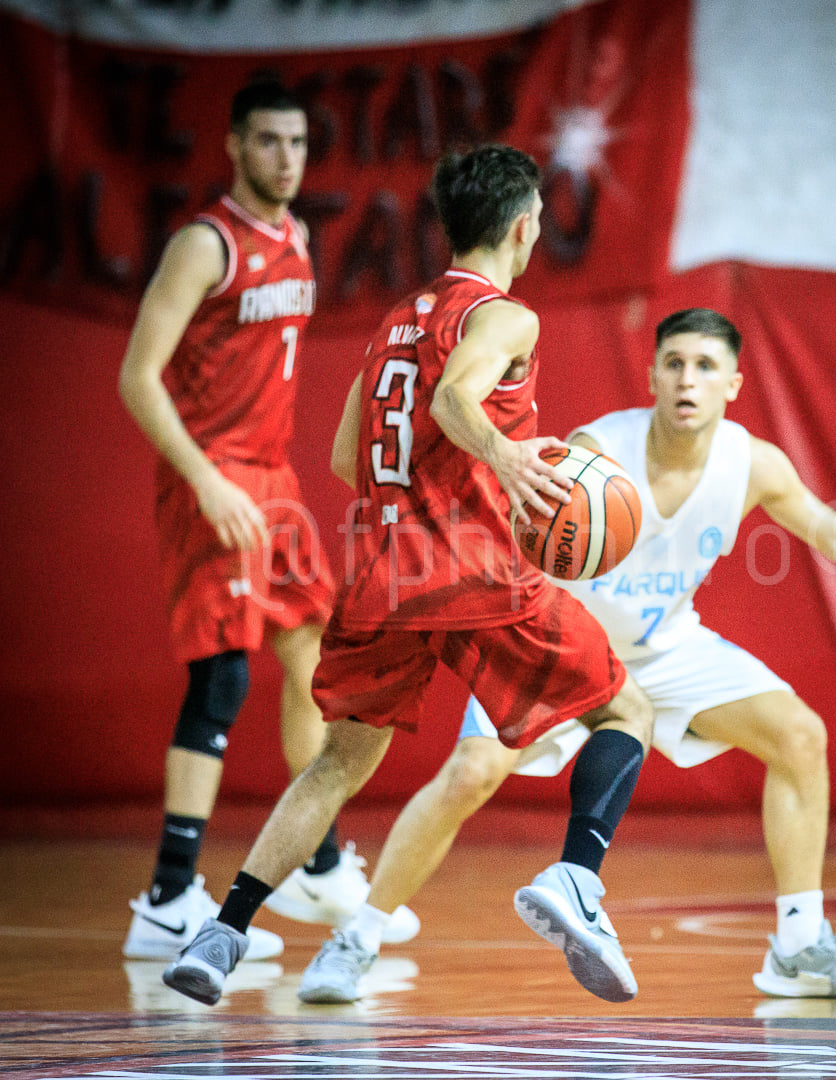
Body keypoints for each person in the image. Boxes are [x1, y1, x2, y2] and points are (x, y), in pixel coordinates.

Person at [295, 306, 836, 1004]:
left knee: (800, 735)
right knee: (470, 774)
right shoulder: (596, 450)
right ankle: (357, 938)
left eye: (705, 366)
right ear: (651, 377)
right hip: (563, 643)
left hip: (664, 647)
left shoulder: (753, 463)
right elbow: (516, 523)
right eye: (673, 363)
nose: (687, 379)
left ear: (733, 385)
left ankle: (800, 947)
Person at [160, 144, 655, 1008]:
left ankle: (222, 931)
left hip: (382, 576)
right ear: (522, 226)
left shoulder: (398, 319)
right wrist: (504, 457)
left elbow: (345, 456)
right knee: (626, 709)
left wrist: (442, 473)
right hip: (470, 568)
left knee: (336, 764)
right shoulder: (506, 318)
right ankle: (578, 878)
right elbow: (454, 400)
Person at [117, 79, 418, 963]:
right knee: (222, 679)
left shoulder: (296, 240)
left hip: (272, 478)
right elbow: (138, 376)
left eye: (297, 142)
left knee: (313, 654)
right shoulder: (205, 244)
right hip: (212, 478)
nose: (286, 158)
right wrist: (205, 479)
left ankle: (316, 864)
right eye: (268, 141)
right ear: (234, 146)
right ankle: (167, 897)